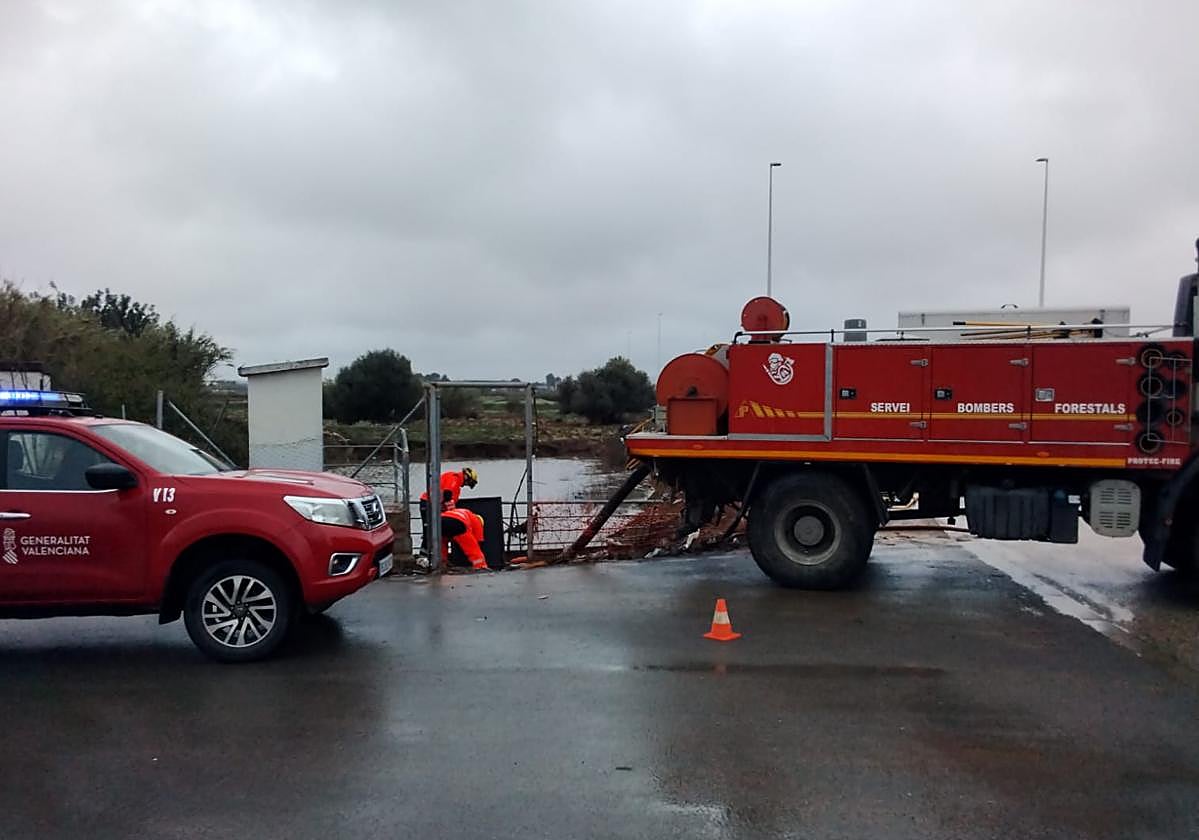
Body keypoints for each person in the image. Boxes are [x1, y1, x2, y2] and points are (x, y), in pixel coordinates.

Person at [418, 467, 485, 570]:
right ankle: (423, 557)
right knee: (428, 530)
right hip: (429, 503)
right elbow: (447, 494)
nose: (467, 485)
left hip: (439, 510)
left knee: (438, 536)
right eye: (469, 483)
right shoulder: (454, 478)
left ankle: (440, 562)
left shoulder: (457, 487)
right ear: (467, 476)